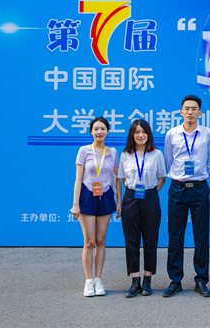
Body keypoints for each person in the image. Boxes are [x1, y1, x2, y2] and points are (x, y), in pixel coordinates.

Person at [163, 95, 210, 298]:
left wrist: (200, 178)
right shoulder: (172, 134)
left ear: (200, 113)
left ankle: (201, 280)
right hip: (177, 189)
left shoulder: (208, 134)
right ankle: (175, 280)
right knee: (175, 235)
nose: (190, 112)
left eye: (194, 109)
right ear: (181, 112)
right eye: (186, 108)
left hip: (199, 188)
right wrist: (180, 178)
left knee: (201, 235)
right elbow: (169, 161)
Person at [71, 117, 121, 297]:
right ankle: (88, 281)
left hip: (106, 196)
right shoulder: (84, 150)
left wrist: (119, 201)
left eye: (103, 129)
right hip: (87, 196)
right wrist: (75, 203)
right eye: (96, 129)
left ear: (108, 131)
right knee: (89, 241)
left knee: (100, 240)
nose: (99, 132)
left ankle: (98, 280)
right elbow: (78, 179)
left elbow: (117, 178)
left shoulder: (113, 152)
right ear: (91, 131)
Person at [118, 119, 166, 298]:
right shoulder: (125, 155)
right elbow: (123, 179)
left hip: (150, 197)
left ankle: (147, 279)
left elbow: (161, 178)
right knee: (131, 240)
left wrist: (150, 194)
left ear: (149, 134)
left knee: (150, 240)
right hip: (131, 198)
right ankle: (135, 280)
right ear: (132, 135)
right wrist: (133, 193)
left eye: (144, 132)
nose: (140, 135)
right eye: (137, 132)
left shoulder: (157, 154)